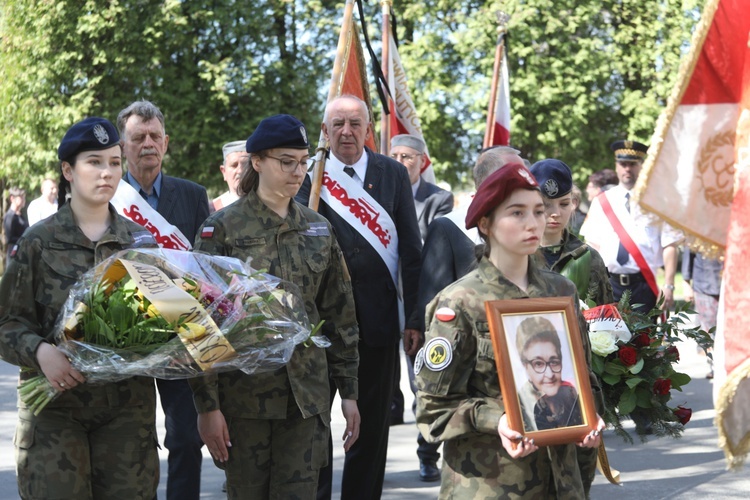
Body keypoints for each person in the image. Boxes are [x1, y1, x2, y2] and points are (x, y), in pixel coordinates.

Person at [191, 114, 361, 499]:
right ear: (257, 162)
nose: (298, 171)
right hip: (243, 403)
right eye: (287, 161)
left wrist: (349, 393)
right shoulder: (221, 229)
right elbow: (199, 323)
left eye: (304, 162)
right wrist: (207, 406)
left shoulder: (318, 229)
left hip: (306, 402)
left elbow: (340, 317)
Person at [415, 163, 604, 498]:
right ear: (485, 223)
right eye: (516, 213)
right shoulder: (460, 302)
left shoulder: (561, 292)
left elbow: (584, 380)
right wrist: (498, 420)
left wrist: (587, 420)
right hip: (491, 485)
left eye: (538, 211)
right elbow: (433, 410)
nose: (533, 223)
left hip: (561, 484)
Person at [0, 117, 159, 499]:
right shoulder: (38, 242)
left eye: (115, 162)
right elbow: (7, 323)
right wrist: (41, 353)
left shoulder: (141, 243)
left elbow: (163, 320)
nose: (107, 172)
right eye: (94, 162)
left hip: (127, 412)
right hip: (55, 410)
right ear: (68, 170)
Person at [296, 95, 422, 500]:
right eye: (338, 124)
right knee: (314, 430)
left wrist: (415, 318)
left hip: (378, 322)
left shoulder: (392, 174)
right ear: (325, 130)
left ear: (369, 130)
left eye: (355, 123)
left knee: (370, 430)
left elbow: (411, 251)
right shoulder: (308, 175)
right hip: (320, 326)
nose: (347, 132)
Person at [116, 100, 211, 500]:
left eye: (155, 136)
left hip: (181, 332)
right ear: (122, 147)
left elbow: (208, 267)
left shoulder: (192, 196)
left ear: (166, 142)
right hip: (124, 335)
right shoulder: (107, 194)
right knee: (131, 445)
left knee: (187, 439)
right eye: (138, 137)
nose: (148, 144)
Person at [530, 158, 612, 496]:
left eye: (562, 204)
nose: (554, 213)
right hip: (531, 393)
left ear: (574, 204)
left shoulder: (587, 258)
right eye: (545, 205)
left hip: (578, 393)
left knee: (577, 486)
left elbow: (609, 323)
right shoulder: (516, 254)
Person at [386, 133, 453, 479]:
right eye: (394, 154)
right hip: (384, 295)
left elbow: (431, 245)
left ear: (422, 162)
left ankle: (427, 453)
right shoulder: (374, 194)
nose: (400, 161)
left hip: (421, 297)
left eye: (408, 156)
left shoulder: (438, 199)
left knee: (423, 380)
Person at [580, 140, 683, 314]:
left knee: (646, 339)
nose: (627, 168)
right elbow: (591, 244)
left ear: (641, 166)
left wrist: (669, 285)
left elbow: (670, 244)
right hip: (609, 284)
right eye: (623, 164)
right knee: (608, 339)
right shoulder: (602, 201)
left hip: (644, 285)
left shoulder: (658, 202)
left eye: (632, 164)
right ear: (616, 166)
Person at [515, 316, 583, 432]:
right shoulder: (518, 406)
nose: (550, 374)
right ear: (525, 366)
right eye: (538, 364)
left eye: (554, 362)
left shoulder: (572, 394)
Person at [682, 249, 722, 378]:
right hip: (704, 284)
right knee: (709, 329)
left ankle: (726, 366)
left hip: (731, 283)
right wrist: (686, 283)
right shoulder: (701, 229)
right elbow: (689, 253)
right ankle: (714, 365)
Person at [212, 140, 247, 211]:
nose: (240, 171)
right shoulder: (212, 209)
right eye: (234, 165)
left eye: (245, 164)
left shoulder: (268, 204)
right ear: (224, 171)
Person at [3, 188, 28, 259]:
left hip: (23, 251)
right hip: (15, 253)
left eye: (24, 197)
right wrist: (26, 239)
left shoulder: (20, 215)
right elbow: (9, 238)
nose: (23, 199)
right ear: (12, 198)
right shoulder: (10, 216)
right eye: (21, 197)